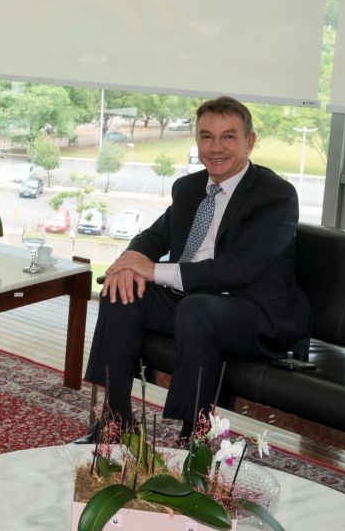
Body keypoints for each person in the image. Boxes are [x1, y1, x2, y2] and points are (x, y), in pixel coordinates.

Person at [78, 96, 311, 440]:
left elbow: (238, 270)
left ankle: (194, 436)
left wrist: (154, 271)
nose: (216, 148)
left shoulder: (275, 196)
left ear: (250, 141)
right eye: (206, 136)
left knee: (197, 308)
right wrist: (126, 264)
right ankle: (116, 421)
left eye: (229, 136)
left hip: (255, 313)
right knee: (119, 292)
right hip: (194, 301)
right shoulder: (189, 189)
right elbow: (154, 236)